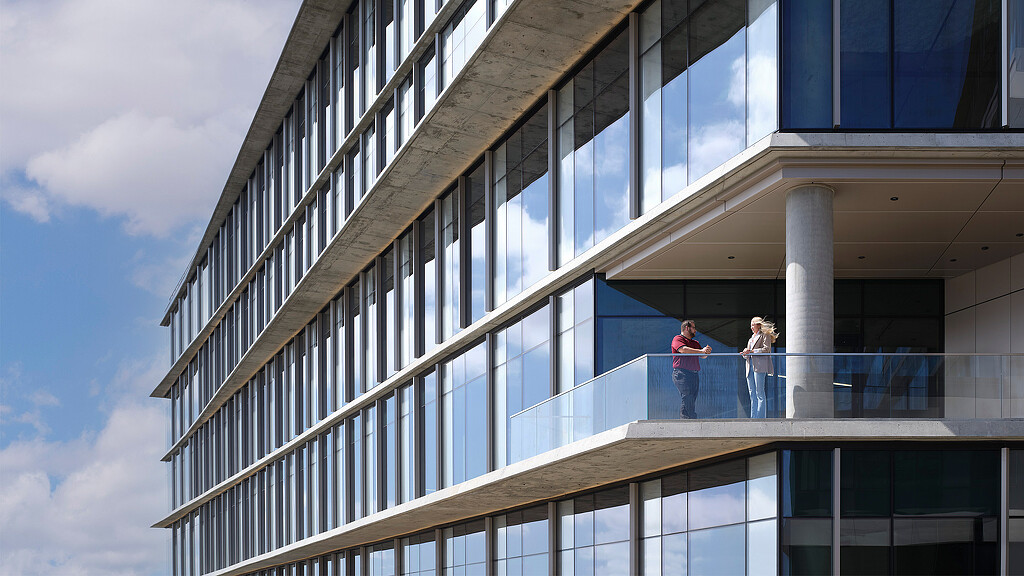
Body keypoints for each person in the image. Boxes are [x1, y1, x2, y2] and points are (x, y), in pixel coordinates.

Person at [670, 320, 711, 419]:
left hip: (694, 374)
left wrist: (706, 352)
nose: (695, 330)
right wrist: (701, 351)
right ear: (687, 328)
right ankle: (688, 419)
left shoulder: (695, 343)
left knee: (691, 398)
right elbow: (683, 349)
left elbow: (703, 355)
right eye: (693, 327)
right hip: (681, 373)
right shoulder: (678, 338)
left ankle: (689, 419)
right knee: (687, 396)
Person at [741, 316, 778, 418]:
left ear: (758, 325)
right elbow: (748, 354)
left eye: (753, 325)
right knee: (752, 394)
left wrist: (752, 351)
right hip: (749, 367)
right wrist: (745, 353)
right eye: (751, 325)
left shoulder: (764, 335)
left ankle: (761, 418)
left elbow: (767, 349)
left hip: (760, 366)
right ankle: (754, 418)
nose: (751, 327)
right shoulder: (751, 339)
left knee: (759, 392)